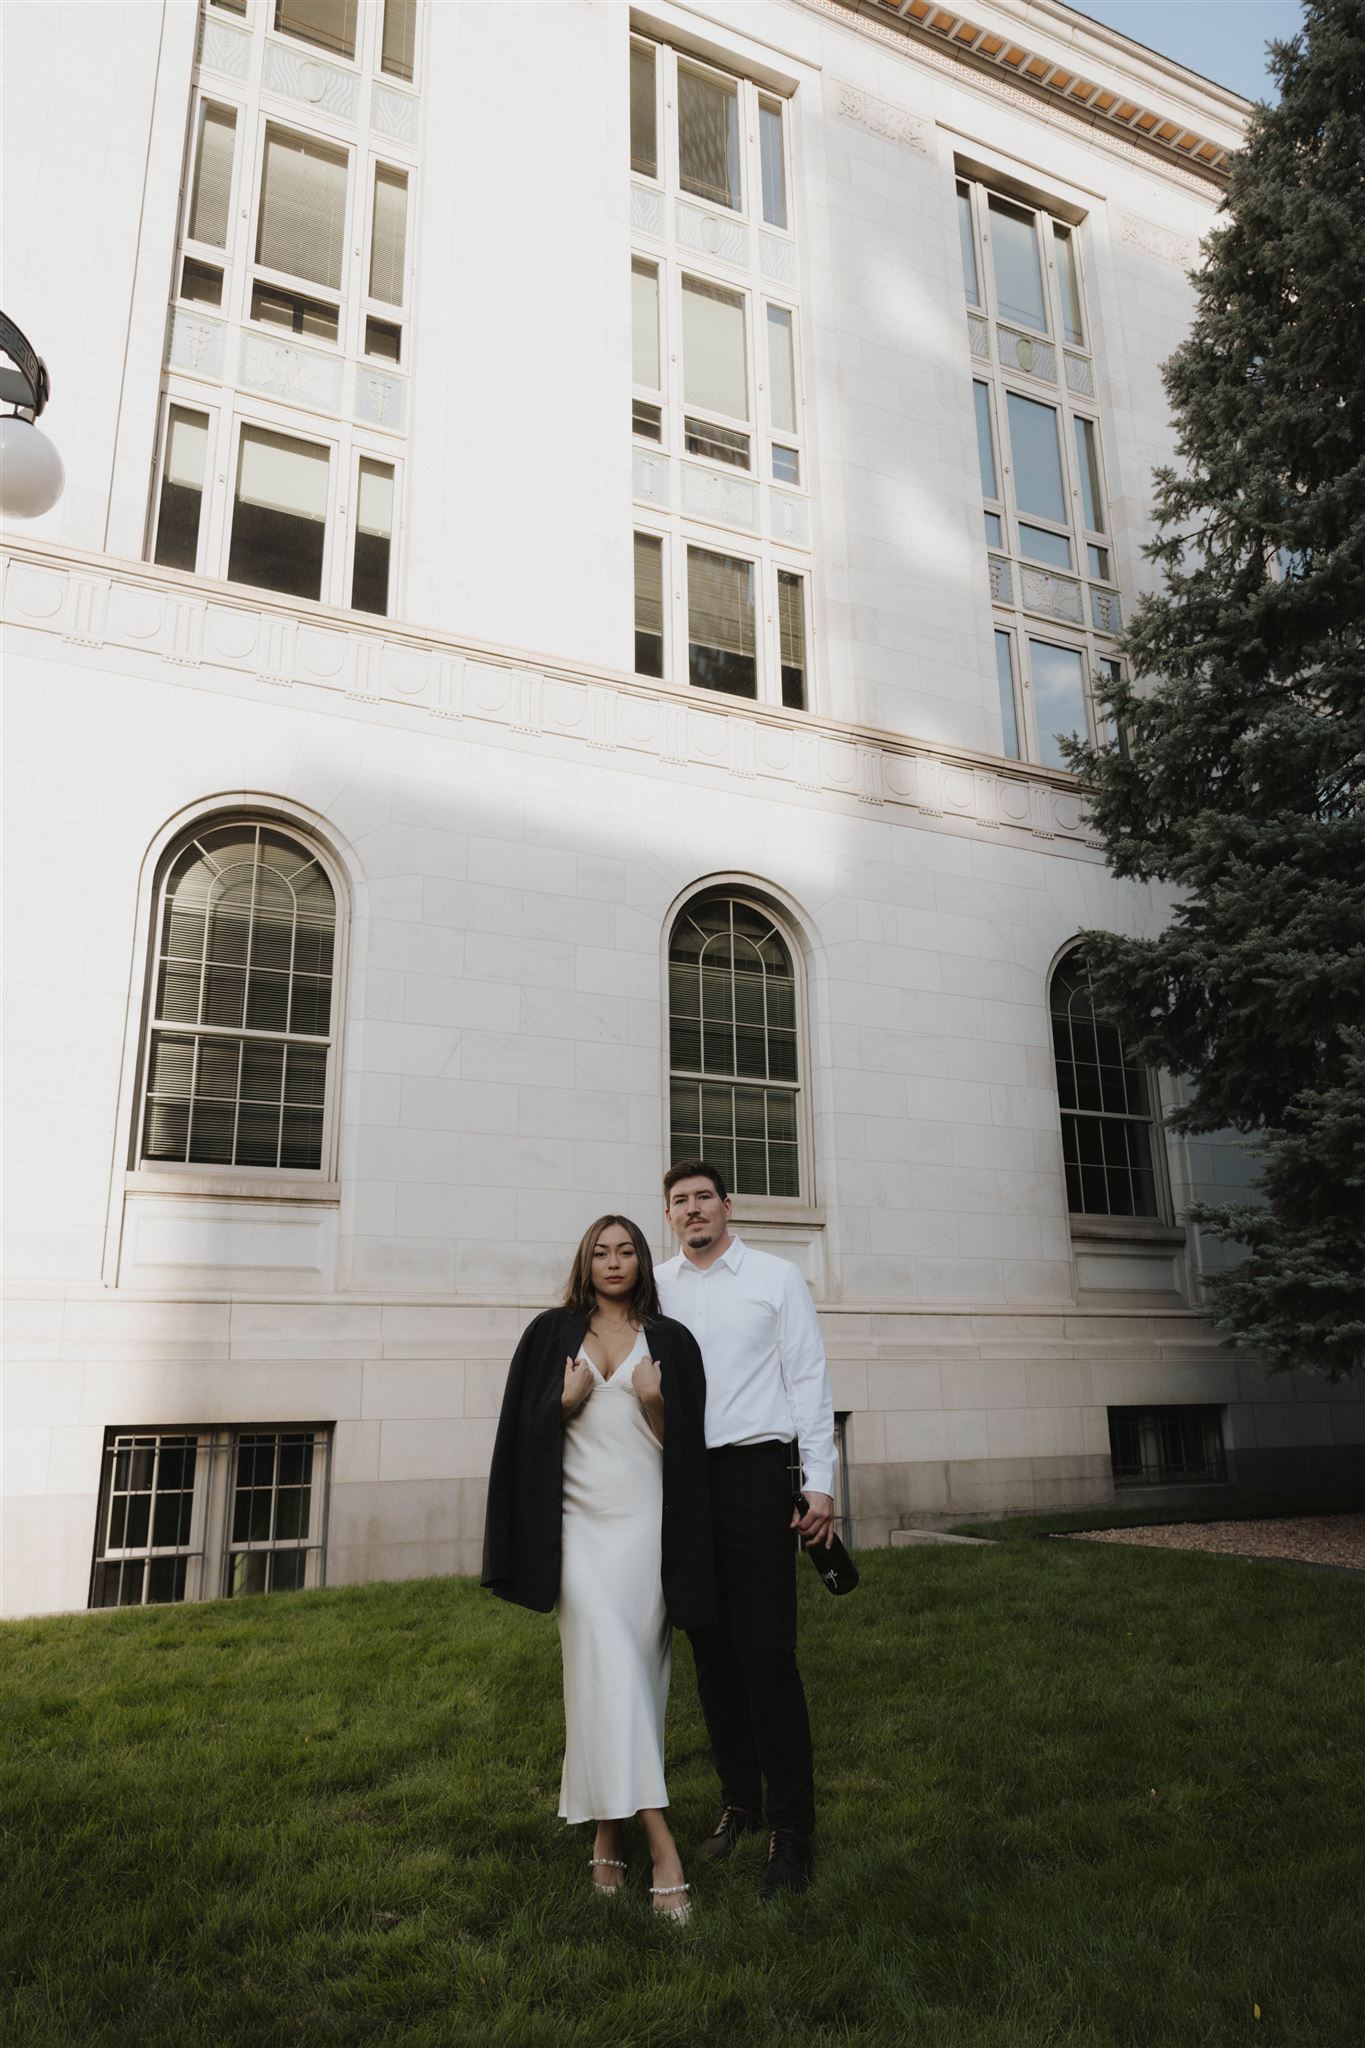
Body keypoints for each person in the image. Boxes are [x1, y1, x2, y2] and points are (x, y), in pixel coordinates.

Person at [481, 1214, 714, 1921]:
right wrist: (562, 1402)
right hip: (576, 1534)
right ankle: (662, 1843)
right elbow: (517, 1438)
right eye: (600, 1253)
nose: (613, 1262)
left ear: (643, 1262)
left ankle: (606, 1836)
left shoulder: (671, 1343)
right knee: (608, 1664)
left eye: (626, 1252)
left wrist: (652, 1400)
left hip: (646, 1530)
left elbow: (689, 1454)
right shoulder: (548, 1335)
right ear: (584, 1263)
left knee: (629, 1678)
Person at [655, 1159, 837, 1900]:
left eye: (703, 1198)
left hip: (757, 1473)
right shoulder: (657, 1289)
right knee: (712, 1652)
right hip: (681, 1484)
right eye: (679, 1202)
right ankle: (739, 1800)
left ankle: (791, 1831)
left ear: (728, 1206)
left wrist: (817, 1479)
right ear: (667, 1217)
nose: (693, 1210)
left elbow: (808, 1378)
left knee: (767, 1652)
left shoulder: (774, 1278)